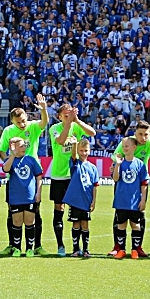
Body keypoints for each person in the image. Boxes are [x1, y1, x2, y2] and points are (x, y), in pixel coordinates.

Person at [0, 95, 49, 256]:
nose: (22, 124)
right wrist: (12, 164)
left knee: (35, 213)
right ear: (13, 121)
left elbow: (44, 123)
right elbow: (0, 150)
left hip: (32, 176)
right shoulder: (8, 131)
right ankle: (13, 245)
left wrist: (44, 110)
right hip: (14, 180)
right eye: (18, 122)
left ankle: (36, 246)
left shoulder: (32, 127)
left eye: (24, 120)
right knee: (13, 213)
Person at [109, 121, 150, 257]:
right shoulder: (129, 142)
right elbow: (115, 155)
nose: (143, 137)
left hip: (140, 181)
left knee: (140, 213)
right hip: (124, 180)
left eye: (146, 134)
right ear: (135, 133)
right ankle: (118, 246)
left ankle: (138, 247)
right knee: (119, 214)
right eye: (140, 134)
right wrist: (116, 165)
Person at [49, 105, 96, 256]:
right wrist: (69, 123)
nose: (68, 117)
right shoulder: (54, 128)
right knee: (59, 210)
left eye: (70, 114)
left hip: (75, 176)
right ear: (60, 116)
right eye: (65, 115)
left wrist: (78, 121)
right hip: (59, 175)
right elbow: (62, 141)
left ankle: (79, 248)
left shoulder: (76, 125)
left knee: (78, 211)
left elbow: (92, 133)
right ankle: (60, 245)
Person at [60, 126, 100, 258]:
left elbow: (95, 186)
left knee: (85, 224)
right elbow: (73, 155)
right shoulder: (75, 163)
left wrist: (94, 201)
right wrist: (74, 144)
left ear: (89, 150)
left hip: (87, 200)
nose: (83, 153)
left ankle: (86, 249)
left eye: (86, 150)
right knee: (76, 223)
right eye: (81, 150)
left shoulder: (93, 168)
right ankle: (76, 249)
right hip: (75, 200)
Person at [2, 137, 43, 257]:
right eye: (21, 146)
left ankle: (30, 248)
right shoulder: (11, 160)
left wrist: (38, 192)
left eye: (24, 145)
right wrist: (12, 155)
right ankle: (17, 248)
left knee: (30, 222)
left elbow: (39, 176)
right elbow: (5, 169)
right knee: (17, 222)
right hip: (15, 197)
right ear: (14, 147)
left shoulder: (31, 159)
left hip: (29, 197)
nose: (24, 148)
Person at [111, 137, 148, 260]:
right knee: (121, 225)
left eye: (127, 146)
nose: (124, 148)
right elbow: (115, 178)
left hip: (134, 201)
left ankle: (134, 250)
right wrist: (117, 164)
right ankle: (121, 250)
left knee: (135, 225)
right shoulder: (120, 163)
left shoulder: (140, 164)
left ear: (134, 147)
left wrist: (143, 200)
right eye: (123, 146)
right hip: (121, 201)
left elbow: (144, 184)